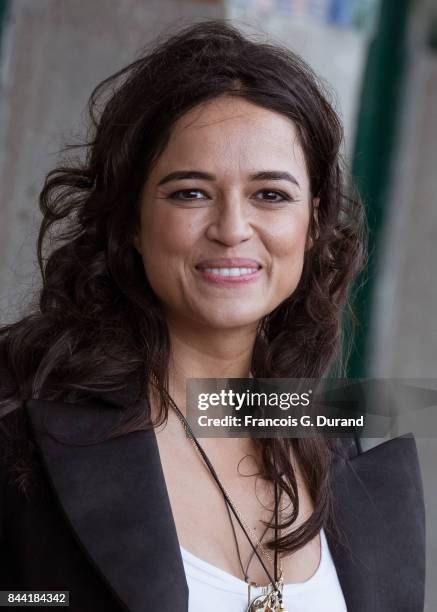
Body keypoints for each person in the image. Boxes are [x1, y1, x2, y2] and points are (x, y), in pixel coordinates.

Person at [0, 20, 425, 612]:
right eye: (190, 193)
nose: (231, 229)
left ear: (314, 225)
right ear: (131, 221)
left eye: (270, 195)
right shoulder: (19, 412)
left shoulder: (336, 436)